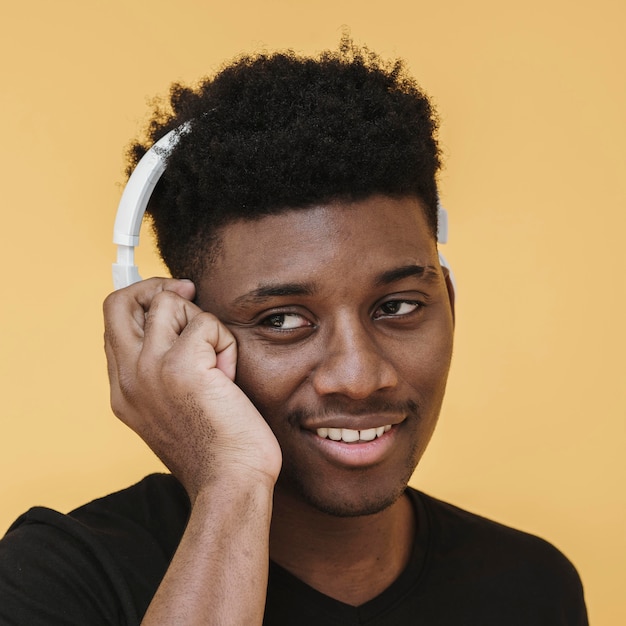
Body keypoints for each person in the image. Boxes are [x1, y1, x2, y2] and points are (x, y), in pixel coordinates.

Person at [0, 37, 588, 625]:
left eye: (398, 307)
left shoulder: (531, 585)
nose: (359, 378)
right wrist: (232, 484)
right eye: (282, 320)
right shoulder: (61, 577)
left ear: (450, 305)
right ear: (179, 336)